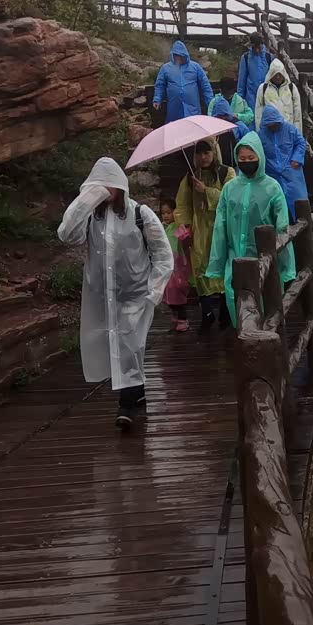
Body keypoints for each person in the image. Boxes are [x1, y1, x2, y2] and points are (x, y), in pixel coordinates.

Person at [58, 158, 173, 429]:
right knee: (120, 347)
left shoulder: (140, 214)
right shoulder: (91, 218)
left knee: (131, 346)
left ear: (121, 186)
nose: (105, 191)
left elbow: (163, 254)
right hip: (103, 297)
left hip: (136, 294)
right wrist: (88, 199)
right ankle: (137, 392)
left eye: (109, 186)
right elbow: (67, 234)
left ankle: (127, 404)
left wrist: (153, 292)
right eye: (98, 186)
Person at [206, 132, 295, 326]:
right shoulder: (230, 188)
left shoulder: (272, 188)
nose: (247, 162)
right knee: (237, 306)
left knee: (268, 307)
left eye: (251, 158)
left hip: (265, 260)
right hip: (235, 258)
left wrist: (286, 264)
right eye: (242, 159)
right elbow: (220, 226)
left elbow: (282, 226)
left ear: (259, 157)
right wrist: (218, 262)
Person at [174, 138, 234, 328]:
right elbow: (182, 205)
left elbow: (231, 198)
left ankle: (226, 312)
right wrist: (185, 226)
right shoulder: (190, 178)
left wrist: (206, 190)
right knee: (201, 270)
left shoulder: (227, 173)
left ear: (214, 152)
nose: (203, 157)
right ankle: (206, 313)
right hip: (199, 231)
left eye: (207, 152)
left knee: (223, 267)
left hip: (222, 229)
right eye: (199, 153)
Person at [258, 104, 308, 221]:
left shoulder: (289, 129)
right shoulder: (261, 134)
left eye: (274, 124)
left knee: (299, 202)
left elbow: (301, 143)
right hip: (272, 175)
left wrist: (297, 158)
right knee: (277, 205)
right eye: (269, 125)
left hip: (291, 172)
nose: (272, 127)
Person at [153, 40, 214, 122]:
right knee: (175, 127)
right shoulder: (166, 68)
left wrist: (210, 103)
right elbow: (160, 85)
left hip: (193, 109)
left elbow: (205, 85)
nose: (179, 58)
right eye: (176, 55)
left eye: (181, 55)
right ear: (173, 55)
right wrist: (157, 99)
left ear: (185, 55)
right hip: (174, 109)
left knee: (193, 127)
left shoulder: (195, 67)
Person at [160, 199, 191, 332]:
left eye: (168, 212)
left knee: (178, 290)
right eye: (163, 213)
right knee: (168, 290)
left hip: (178, 264)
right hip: (166, 264)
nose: (166, 216)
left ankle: (183, 318)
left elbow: (186, 241)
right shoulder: (161, 227)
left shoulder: (178, 227)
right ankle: (175, 314)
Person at [254, 57, 303, 133]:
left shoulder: (292, 88)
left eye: (280, 74)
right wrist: (260, 133)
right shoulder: (263, 88)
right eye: (275, 74)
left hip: (288, 131)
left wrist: (297, 133)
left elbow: (297, 114)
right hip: (270, 131)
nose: (278, 77)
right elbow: (258, 113)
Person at [236, 32, 273, 111]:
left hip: (267, 97)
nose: (256, 49)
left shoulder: (269, 57)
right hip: (251, 98)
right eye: (254, 47)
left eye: (258, 46)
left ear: (262, 44)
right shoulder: (245, 58)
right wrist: (240, 99)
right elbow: (242, 80)